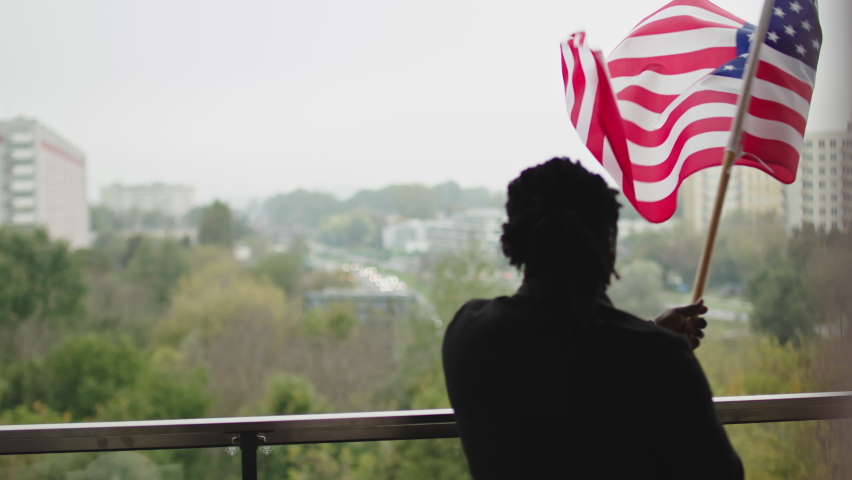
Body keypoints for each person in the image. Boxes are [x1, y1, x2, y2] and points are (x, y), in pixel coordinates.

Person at [442, 158, 744, 479]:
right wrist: (659, 345)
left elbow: (562, 370)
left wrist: (654, 338)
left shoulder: (469, 334)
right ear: (610, 245)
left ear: (513, 242)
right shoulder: (659, 358)